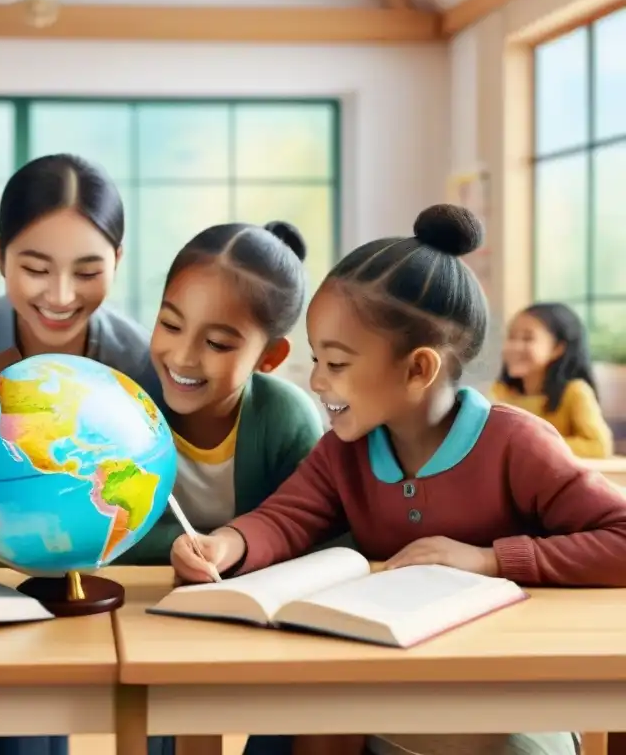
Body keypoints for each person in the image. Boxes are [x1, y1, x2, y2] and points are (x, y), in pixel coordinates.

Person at [170, 204, 626, 755]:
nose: (316, 381)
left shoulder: (517, 445)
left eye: (336, 364)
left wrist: (490, 560)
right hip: (380, 676)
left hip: (504, 688)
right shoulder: (346, 449)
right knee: (284, 732)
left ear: (418, 369)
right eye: (316, 358)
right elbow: (287, 516)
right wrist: (228, 543)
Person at [0, 153, 156, 755]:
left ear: (118, 261)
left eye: (89, 269)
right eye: (35, 268)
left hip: (115, 577)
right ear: (0, 255)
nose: (61, 295)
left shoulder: (140, 358)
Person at [125, 220, 323, 566]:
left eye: (217, 343)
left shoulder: (286, 419)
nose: (183, 357)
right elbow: (100, 531)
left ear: (269, 357)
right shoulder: (123, 406)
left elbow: (312, 527)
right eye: (170, 325)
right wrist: (177, 545)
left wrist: (230, 546)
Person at [492, 302, 613, 458]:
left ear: (557, 348)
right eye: (511, 337)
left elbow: (599, 447)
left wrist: (531, 443)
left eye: (527, 338)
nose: (514, 346)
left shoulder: (575, 392)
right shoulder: (500, 391)